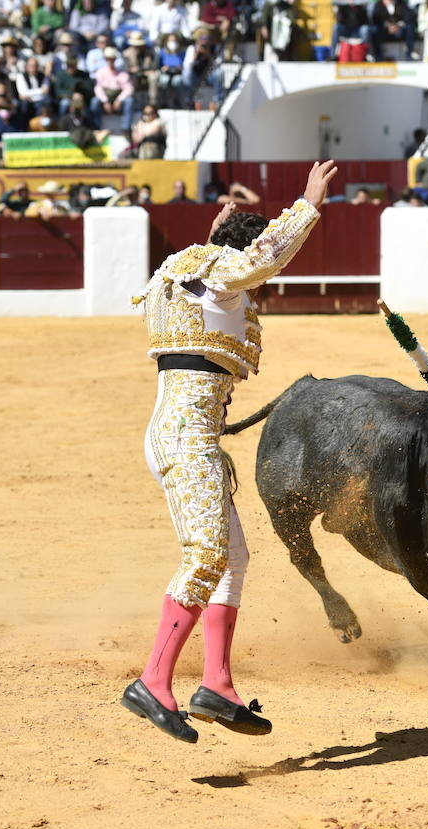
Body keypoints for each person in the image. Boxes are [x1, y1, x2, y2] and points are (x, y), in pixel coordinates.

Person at [122, 160, 336, 744]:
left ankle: (217, 682)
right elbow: (259, 258)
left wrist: (219, 233)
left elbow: (226, 257)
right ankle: (154, 680)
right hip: (187, 435)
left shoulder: (181, 268)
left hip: (184, 431)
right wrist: (308, 205)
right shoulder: (222, 276)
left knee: (231, 557)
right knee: (207, 554)